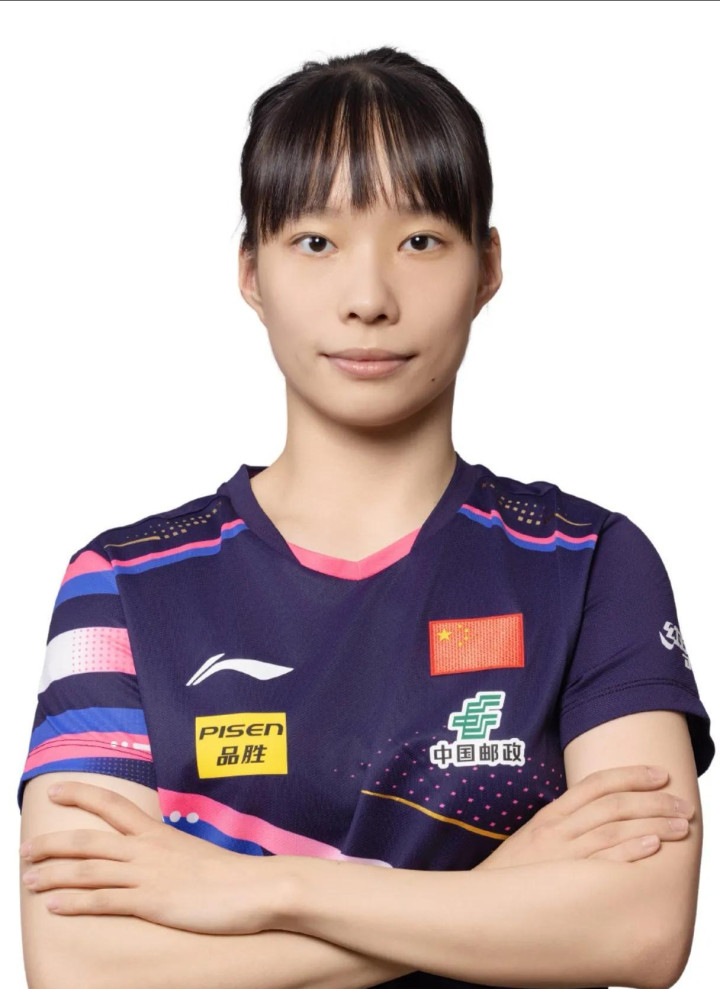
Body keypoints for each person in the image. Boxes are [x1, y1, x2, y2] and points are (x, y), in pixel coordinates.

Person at [18, 46, 714, 989]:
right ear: (251, 272)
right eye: (316, 242)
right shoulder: (122, 586)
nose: (368, 299)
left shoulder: (590, 565)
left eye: (420, 241)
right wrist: (497, 892)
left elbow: (638, 927)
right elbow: (80, 965)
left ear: (488, 266)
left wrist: (263, 889)